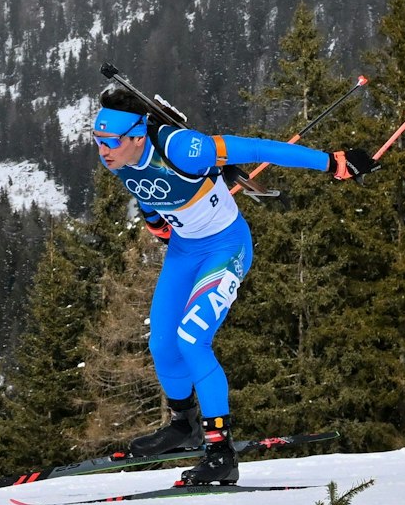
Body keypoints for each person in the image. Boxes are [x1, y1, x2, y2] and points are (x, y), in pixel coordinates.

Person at [93, 88, 376, 485]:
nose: (103, 151)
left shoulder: (185, 149)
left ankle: (220, 452)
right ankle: (183, 425)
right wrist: (156, 222)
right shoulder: (118, 158)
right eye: (97, 141)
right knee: (162, 342)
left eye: (109, 142)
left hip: (226, 246)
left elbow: (262, 148)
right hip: (184, 251)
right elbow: (146, 191)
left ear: (139, 137)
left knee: (192, 340)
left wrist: (333, 162)